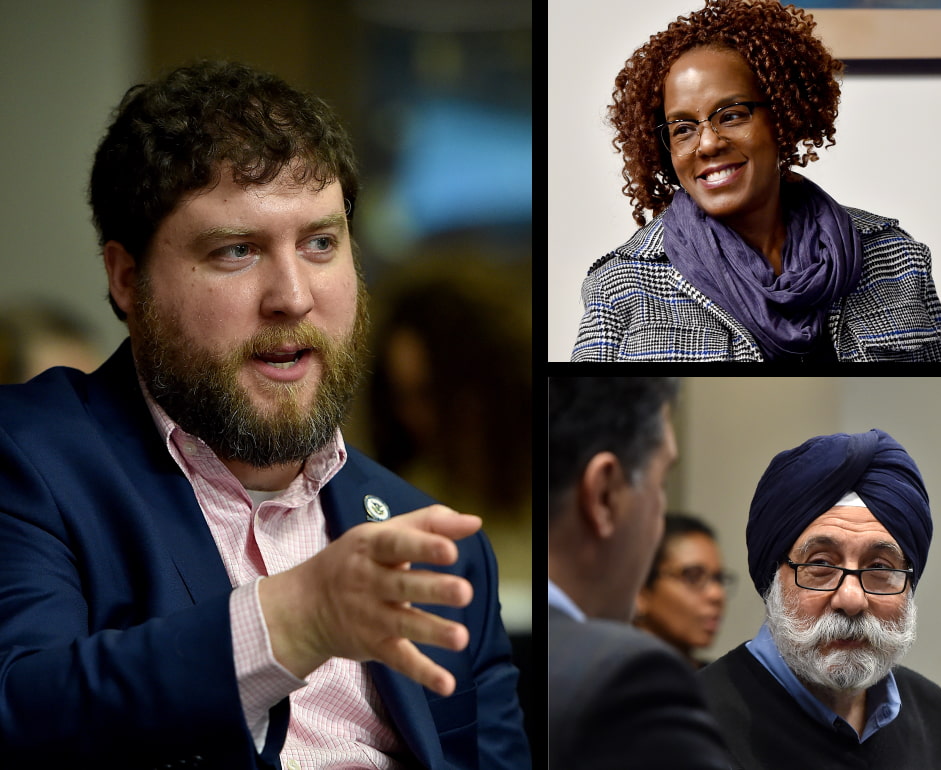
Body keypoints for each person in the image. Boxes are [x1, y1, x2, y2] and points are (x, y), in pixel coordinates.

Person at [0, 61, 529, 768]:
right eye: (237, 251)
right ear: (127, 278)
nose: (293, 296)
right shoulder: (31, 460)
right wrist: (294, 620)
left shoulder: (429, 542)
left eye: (320, 244)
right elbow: (20, 711)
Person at [571, 0, 941, 363]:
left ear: (783, 119)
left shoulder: (895, 257)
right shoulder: (620, 286)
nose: (708, 142)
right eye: (683, 128)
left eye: (732, 115)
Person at [698, 431, 941, 768]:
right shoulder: (685, 728)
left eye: (879, 567)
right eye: (820, 564)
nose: (851, 598)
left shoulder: (936, 717)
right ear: (773, 577)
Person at [548, 377, 731, 769]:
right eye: (661, 481)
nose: (715, 595)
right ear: (605, 496)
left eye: (718, 578)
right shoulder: (630, 678)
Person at [634, 513, 733, 669]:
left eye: (718, 579)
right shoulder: (608, 682)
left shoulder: (722, 683)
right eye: (693, 577)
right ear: (640, 591)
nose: (717, 594)